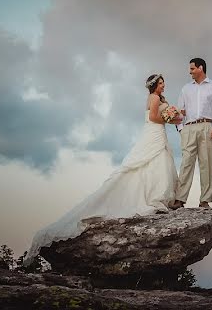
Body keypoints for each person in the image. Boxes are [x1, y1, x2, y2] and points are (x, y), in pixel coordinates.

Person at [23, 74, 182, 265]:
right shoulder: (154, 98)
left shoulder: (159, 98)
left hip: (157, 133)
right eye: (161, 83)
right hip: (154, 132)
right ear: (154, 85)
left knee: (158, 161)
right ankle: (154, 197)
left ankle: (156, 194)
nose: (164, 85)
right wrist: (167, 117)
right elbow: (154, 117)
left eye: (164, 83)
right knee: (152, 160)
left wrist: (173, 115)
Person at [169, 57, 212, 210]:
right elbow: (179, 111)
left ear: (200, 68)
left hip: (207, 126)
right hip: (189, 128)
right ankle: (180, 199)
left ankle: (204, 200)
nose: (190, 72)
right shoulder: (186, 88)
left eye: (192, 69)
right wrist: (181, 129)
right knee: (186, 163)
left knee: (207, 164)